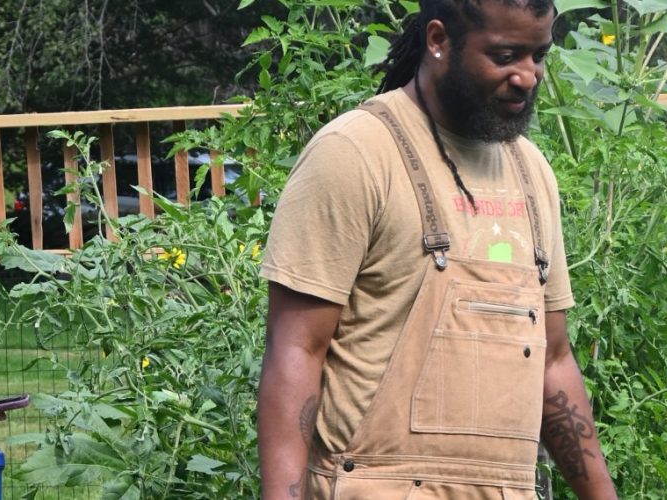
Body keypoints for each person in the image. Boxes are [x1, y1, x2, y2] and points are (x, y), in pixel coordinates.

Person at [256, 0, 618, 498]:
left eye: (538, 55)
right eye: (505, 54)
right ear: (438, 40)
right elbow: (296, 350)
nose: (528, 77)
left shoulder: (531, 173)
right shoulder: (355, 154)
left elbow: (554, 361)